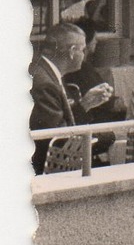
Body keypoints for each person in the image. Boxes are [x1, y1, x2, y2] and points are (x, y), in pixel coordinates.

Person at [30, 22, 115, 173]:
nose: (84, 55)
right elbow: (58, 140)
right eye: (83, 50)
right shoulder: (45, 83)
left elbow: (58, 124)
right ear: (72, 51)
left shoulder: (45, 73)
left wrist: (85, 104)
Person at [63, 18, 126, 165]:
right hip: (92, 123)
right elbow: (107, 102)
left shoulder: (69, 69)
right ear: (86, 42)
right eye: (95, 40)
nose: (96, 44)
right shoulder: (82, 69)